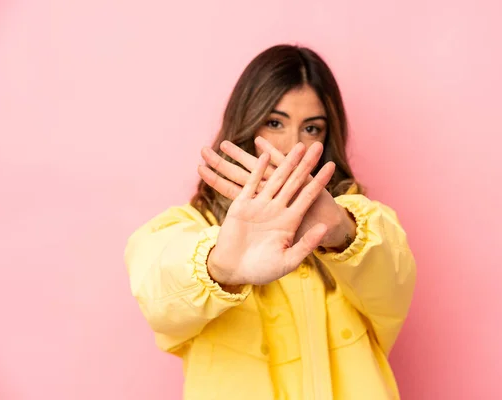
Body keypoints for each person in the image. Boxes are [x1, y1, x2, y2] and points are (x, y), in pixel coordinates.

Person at [124, 44, 417, 399]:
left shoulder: (364, 223)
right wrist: (219, 267)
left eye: (312, 129)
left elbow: (395, 283)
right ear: (247, 123)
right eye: (275, 123)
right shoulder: (189, 228)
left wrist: (340, 230)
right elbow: (157, 294)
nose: (293, 146)